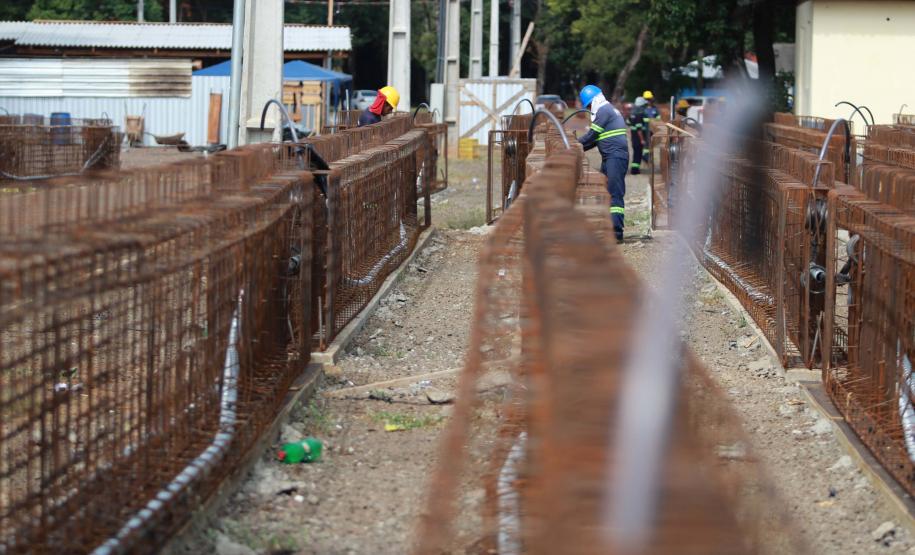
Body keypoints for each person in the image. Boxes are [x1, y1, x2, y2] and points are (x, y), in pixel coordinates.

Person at [577, 84, 629, 243]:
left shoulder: (604, 111)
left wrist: (573, 144)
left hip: (615, 157)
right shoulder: (608, 110)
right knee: (604, 192)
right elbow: (594, 140)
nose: (589, 109)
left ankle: (616, 233)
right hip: (610, 158)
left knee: (614, 193)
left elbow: (592, 135)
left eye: (589, 105)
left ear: (593, 101)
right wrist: (577, 147)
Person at [628, 96, 647, 175]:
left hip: (633, 137)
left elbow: (629, 123)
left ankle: (635, 168)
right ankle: (635, 170)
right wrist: (642, 139)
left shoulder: (632, 114)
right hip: (638, 138)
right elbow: (639, 129)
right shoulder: (639, 115)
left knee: (636, 153)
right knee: (638, 154)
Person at [641, 90, 660, 164]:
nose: (648, 101)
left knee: (650, 144)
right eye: (647, 100)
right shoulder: (642, 109)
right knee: (646, 144)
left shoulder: (655, 109)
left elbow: (658, 118)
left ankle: (647, 157)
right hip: (645, 129)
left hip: (652, 130)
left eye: (649, 99)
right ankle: (645, 157)